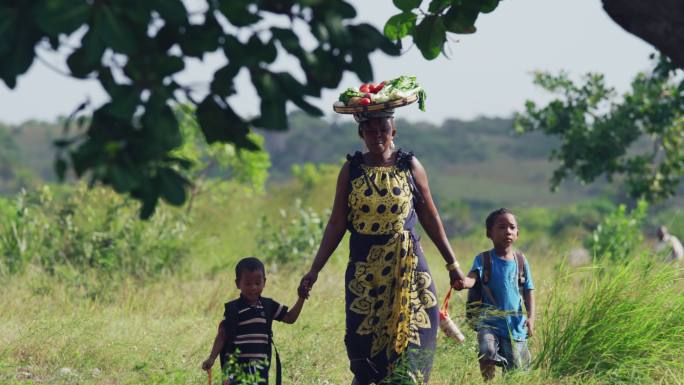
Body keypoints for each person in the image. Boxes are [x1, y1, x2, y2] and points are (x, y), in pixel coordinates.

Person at [298, 108, 466, 385]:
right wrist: (314, 270)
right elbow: (337, 223)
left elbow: (430, 216)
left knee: (414, 343)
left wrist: (453, 265)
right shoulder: (351, 170)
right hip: (366, 272)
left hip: (409, 268)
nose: (378, 136)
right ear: (360, 133)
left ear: (393, 133)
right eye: (371, 131)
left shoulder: (409, 166)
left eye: (384, 131)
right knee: (363, 345)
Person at [454, 208, 535, 381]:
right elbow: (472, 279)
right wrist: (462, 283)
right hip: (489, 322)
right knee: (487, 351)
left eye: (512, 227)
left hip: (514, 326)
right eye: (501, 227)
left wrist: (531, 317)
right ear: (489, 233)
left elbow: (528, 290)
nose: (508, 231)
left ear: (517, 233)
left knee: (514, 371)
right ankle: (488, 381)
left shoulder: (521, 260)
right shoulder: (483, 259)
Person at [202, 257, 306, 384]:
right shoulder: (234, 309)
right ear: (237, 284)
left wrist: (301, 298)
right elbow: (222, 335)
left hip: (259, 369)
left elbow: (290, 318)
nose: (253, 288)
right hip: (235, 369)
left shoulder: (268, 306)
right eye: (247, 283)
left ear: (264, 282)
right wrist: (212, 358)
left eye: (257, 283)